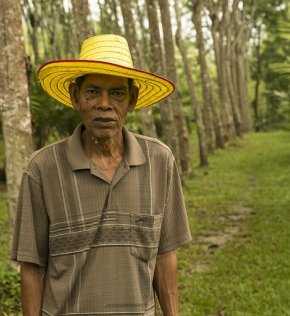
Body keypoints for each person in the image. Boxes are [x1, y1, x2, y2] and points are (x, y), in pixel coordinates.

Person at [10, 34, 191, 316]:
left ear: (132, 99)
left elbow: (164, 255)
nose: (104, 104)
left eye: (117, 93)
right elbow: (33, 267)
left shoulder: (159, 160)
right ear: (75, 96)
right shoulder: (42, 169)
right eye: (92, 92)